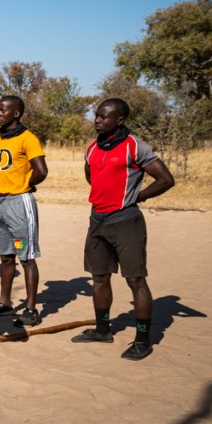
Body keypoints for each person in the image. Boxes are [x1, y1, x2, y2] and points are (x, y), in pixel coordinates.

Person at [72, 98, 175, 360]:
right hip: (97, 220)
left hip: (126, 221)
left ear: (120, 120)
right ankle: (102, 330)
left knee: (135, 280)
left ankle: (143, 340)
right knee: (99, 277)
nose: (97, 120)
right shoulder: (93, 148)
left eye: (104, 116)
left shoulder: (135, 147)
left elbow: (165, 179)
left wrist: (139, 196)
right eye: (96, 115)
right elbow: (90, 173)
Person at [0, 95, 48, 327]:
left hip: (20, 205)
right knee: (6, 255)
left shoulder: (28, 139)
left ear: (16, 113)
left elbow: (41, 170)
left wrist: (24, 185)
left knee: (25, 255)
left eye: (3, 110)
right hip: (0, 204)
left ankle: (30, 308)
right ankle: (5, 302)